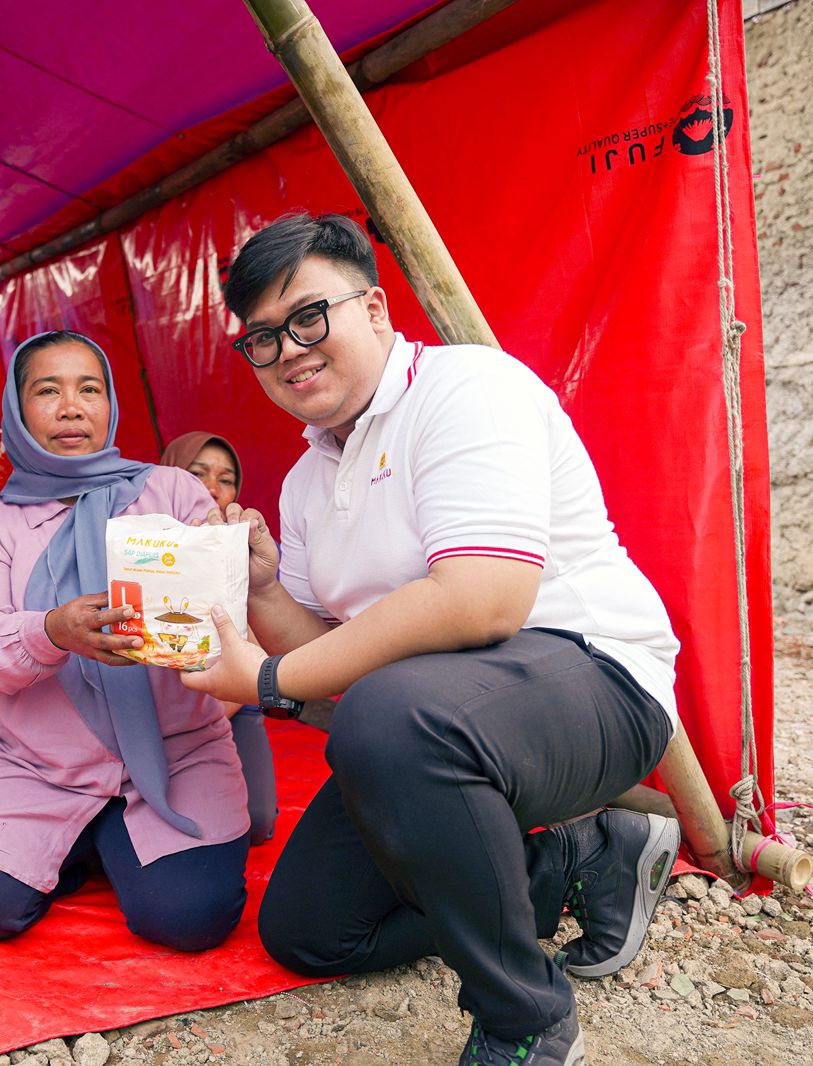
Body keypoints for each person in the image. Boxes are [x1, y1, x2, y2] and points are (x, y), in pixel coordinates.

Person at [183, 214, 682, 1065]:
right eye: (262, 339)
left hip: (595, 680)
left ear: (374, 309)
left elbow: (483, 600)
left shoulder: (469, 389)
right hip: (437, 717)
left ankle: (526, 1017)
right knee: (309, 931)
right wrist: (264, 590)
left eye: (308, 318)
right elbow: (339, 653)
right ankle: (575, 856)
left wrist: (266, 680)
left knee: (385, 715)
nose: (289, 350)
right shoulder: (306, 480)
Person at [0, 332, 250, 952]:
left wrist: (235, 555)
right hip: (33, 764)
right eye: (48, 390)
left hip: (178, 753)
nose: (72, 407)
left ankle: (100, 844)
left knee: (190, 917)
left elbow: (223, 605)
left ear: (110, 402)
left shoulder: (172, 493)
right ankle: (83, 840)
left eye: (88, 389)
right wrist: (51, 631)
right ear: (18, 409)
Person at [159, 432, 277, 845]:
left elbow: (258, 650)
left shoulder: (248, 549)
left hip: (228, 698)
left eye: (226, 479)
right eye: (197, 473)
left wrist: (200, 719)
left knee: (258, 821)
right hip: (151, 707)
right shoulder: (143, 549)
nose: (212, 488)